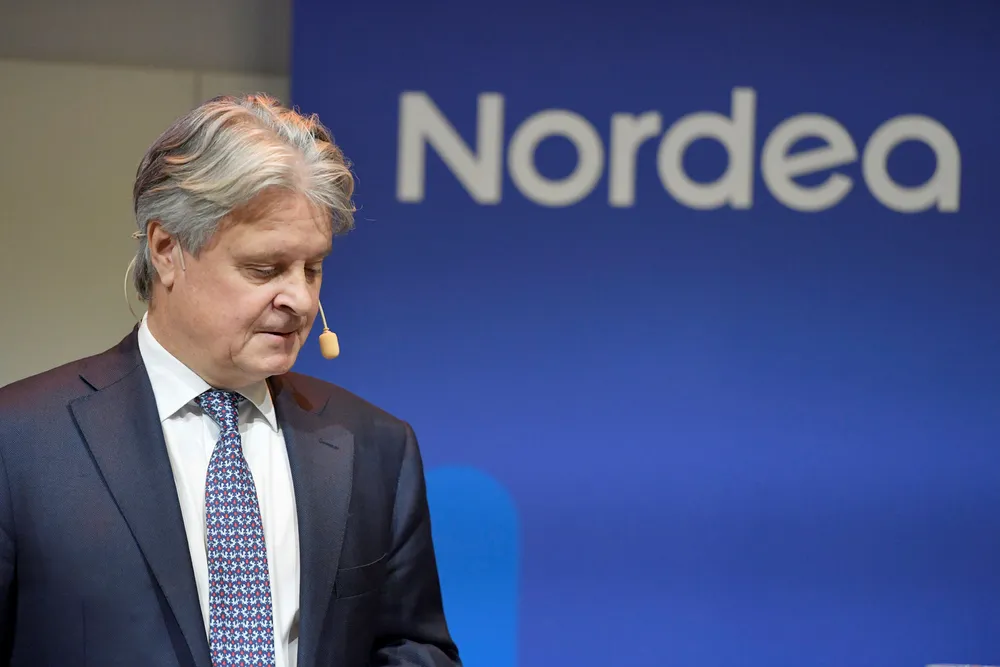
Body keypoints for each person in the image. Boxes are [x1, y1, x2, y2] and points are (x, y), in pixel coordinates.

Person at [0, 94, 461, 667]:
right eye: (264, 269)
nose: (300, 300)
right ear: (166, 249)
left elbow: (413, 648)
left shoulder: (375, 446)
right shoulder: (19, 443)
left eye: (313, 268)